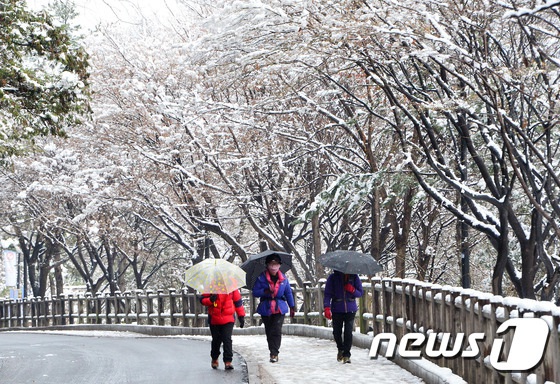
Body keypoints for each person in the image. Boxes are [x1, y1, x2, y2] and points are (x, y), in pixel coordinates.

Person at [252, 254, 295, 363]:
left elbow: (288, 292)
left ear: (279, 265)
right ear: (267, 265)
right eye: (271, 264)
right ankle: (272, 349)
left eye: (276, 264)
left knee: (276, 329)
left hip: (279, 307)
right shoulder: (261, 278)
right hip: (266, 307)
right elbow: (255, 292)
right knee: (269, 330)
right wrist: (265, 291)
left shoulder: (283, 279)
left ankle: (274, 352)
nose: (273, 267)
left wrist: (292, 306)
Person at [323, 270, 363, 364]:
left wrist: (352, 290)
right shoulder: (332, 278)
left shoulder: (354, 277)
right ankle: (340, 349)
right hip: (337, 308)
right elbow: (327, 294)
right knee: (337, 332)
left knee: (348, 332)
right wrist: (327, 307)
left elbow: (360, 293)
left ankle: (346, 355)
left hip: (350, 308)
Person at [199, 289, 246, 370]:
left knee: (227, 338)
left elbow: (238, 302)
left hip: (228, 318)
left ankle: (228, 361)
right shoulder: (211, 286)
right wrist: (210, 300)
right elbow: (202, 299)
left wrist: (241, 315)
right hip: (214, 319)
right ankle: (214, 358)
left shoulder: (231, 286)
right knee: (216, 340)